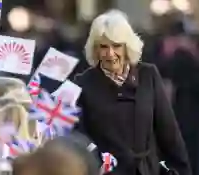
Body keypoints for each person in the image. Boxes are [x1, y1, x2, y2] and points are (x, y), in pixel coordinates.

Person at [74, 9, 191, 175]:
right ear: (95, 49)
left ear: (127, 46)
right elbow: (80, 138)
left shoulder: (148, 75)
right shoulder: (83, 83)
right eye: (103, 47)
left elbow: (169, 133)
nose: (110, 54)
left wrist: (182, 169)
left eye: (116, 46)